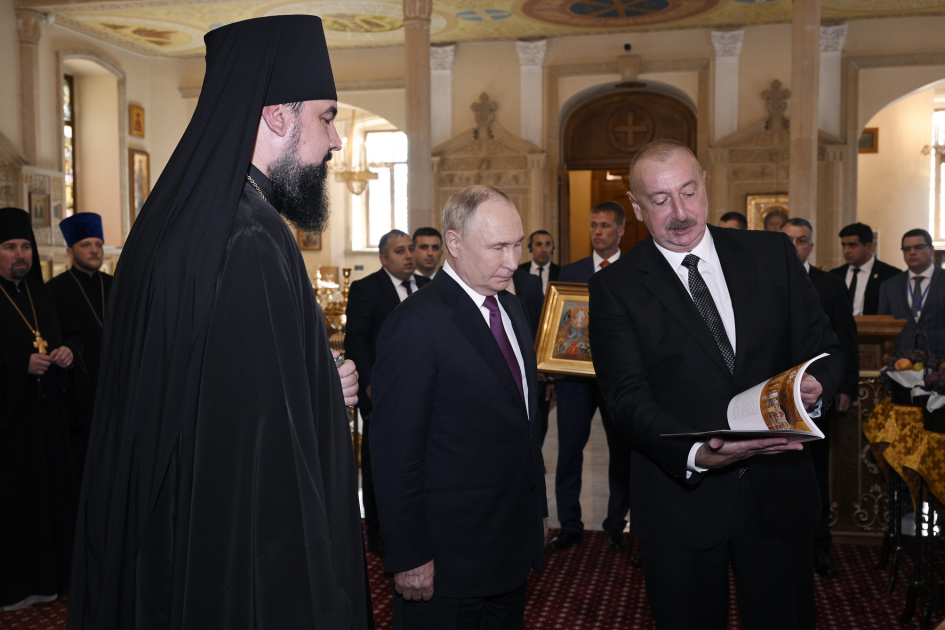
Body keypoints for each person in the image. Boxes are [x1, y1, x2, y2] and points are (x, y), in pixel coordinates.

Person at [68, 17, 371, 630]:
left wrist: (313, 373)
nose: (335, 141)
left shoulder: (184, 220)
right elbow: (254, 446)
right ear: (278, 117)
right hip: (235, 561)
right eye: (327, 116)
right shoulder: (249, 237)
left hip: (172, 537)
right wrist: (322, 387)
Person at [589, 140, 843, 629]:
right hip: (682, 500)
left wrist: (816, 383)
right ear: (638, 208)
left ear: (705, 184)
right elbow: (625, 397)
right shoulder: (615, 287)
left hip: (777, 490)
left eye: (689, 192)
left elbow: (826, 347)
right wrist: (694, 454)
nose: (680, 212)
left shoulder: (771, 254)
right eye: (660, 201)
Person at [371, 185, 547, 630]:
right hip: (447, 564)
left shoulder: (511, 306)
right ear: (454, 243)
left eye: (517, 244)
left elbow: (523, 426)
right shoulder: (416, 322)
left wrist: (535, 513)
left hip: (509, 547)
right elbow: (395, 454)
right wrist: (409, 554)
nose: (513, 260)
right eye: (497, 247)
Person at [0, 207, 81, 612]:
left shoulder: (43, 294)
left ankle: (55, 578)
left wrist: (65, 352)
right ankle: (15, 586)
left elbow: (61, 338)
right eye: (10, 247)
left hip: (48, 422)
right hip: (11, 431)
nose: (20, 255)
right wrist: (18, 367)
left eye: (25, 247)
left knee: (52, 502)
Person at [546, 201, 634, 556]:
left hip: (619, 379)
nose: (598, 232)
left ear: (621, 230)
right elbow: (558, 323)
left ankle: (615, 525)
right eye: (594, 225)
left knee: (622, 454)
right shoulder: (571, 270)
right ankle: (569, 526)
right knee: (568, 452)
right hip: (574, 378)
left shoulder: (636, 269)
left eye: (605, 226)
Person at [782, 218, 859, 579]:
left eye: (801, 241)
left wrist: (845, 387)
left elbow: (845, 341)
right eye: (788, 240)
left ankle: (818, 546)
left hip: (816, 397)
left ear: (810, 246)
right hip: (774, 398)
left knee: (815, 473)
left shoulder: (829, 285)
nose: (794, 247)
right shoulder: (763, 282)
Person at [345, 228, 430, 555]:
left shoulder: (426, 286)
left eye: (411, 249)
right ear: (383, 258)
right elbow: (357, 342)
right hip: (382, 393)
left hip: (423, 391)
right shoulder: (367, 289)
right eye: (400, 251)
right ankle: (379, 531)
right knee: (381, 463)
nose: (409, 255)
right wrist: (371, 387)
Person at [47, 212, 113, 480]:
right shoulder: (53, 290)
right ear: (70, 252)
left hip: (114, 383)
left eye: (98, 244)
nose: (94, 250)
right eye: (86, 245)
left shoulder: (114, 285)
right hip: (78, 392)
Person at [879, 229, 944, 357]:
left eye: (918, 247)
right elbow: (883, 324)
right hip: (901, 359)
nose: (912, 252)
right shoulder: (890, 285)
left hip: (940, 358)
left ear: (931, 250)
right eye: (907, 249)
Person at [829, 222, 900, 316]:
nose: (846, 251)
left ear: (868, 247)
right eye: (844, 245)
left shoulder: (890, 275)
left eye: (852, 245)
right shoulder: (835, 275)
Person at [519, 229, 560, 294]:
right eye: (538, 244)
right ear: (530, 248)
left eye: (548, 244)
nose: (544, 250)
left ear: (553, 248)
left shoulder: (560, 272)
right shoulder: (520, 271)